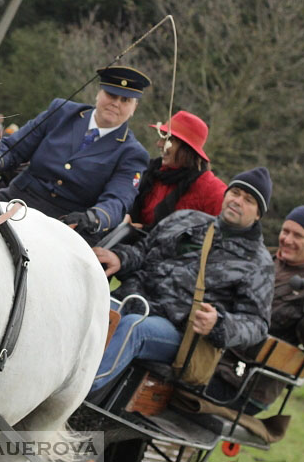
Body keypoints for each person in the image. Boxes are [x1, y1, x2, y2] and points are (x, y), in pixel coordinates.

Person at [88, 167, 275, 396]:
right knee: (92, 305)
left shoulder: (259, 263)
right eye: (235, 192)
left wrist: (218, 323)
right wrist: (121, 257)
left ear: (257, 215)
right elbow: (144, 251)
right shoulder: (187, 219)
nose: (238, 201)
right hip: (133, 298)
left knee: (133, 328)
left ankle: (78, 394)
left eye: (248, 200)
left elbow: (258, 324)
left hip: (180, 331)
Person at [0, 66, 151, 244]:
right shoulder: (62, 111)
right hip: (17, 198)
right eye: (111, 95)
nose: (116, 103)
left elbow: (118, 201)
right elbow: (15, 148)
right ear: (99, 93)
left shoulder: (132, 153)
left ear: (134, 107)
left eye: (125, 100)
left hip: (66, 224)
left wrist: (93, 218)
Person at [208, 205, 304, 414]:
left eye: (298, 235)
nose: (287, 239)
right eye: (285, 231)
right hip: (211, 356)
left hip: (245, 385)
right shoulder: (261, 255)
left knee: (179, 379)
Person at [128, 110, 226, 230]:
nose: (159, 144)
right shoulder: (150, 172)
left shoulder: (212, 190)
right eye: (161, 137)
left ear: (187, 149)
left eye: (168, 140)